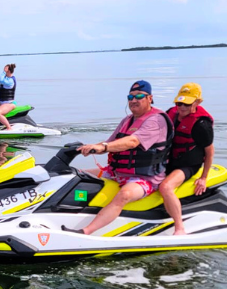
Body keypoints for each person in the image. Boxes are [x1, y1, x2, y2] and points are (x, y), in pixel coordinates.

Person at [64, 80, 173, 235]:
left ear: (150, 98)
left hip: (146, 178)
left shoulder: (156, 120)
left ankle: (86, 231)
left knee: (124, 195)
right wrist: (91, 147)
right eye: (130, 97)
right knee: (76, 175)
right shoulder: (127, 120)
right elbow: (110, 143)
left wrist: (104, 147)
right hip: (117, 172)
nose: (133, 100)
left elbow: (132, 141)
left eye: (139, 96)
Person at [160, 83, 215, 235]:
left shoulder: (201, 125)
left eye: (187, 103)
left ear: (197, 103)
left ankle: (179, 228)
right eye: (179, 103)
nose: (182, 107)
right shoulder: (170, 114)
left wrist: (204, 177)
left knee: (165, 187)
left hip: (188, 164)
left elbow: (209, 153)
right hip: (167, 160)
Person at [0, 63, 17, 130]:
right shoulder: (7, 79)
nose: (4, 72)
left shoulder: (10, 81)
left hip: (9, 104)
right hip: (3, 103)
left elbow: (1, 80)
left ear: (8, 71)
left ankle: (9, 128)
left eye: (5, 70)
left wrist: (4, 72)